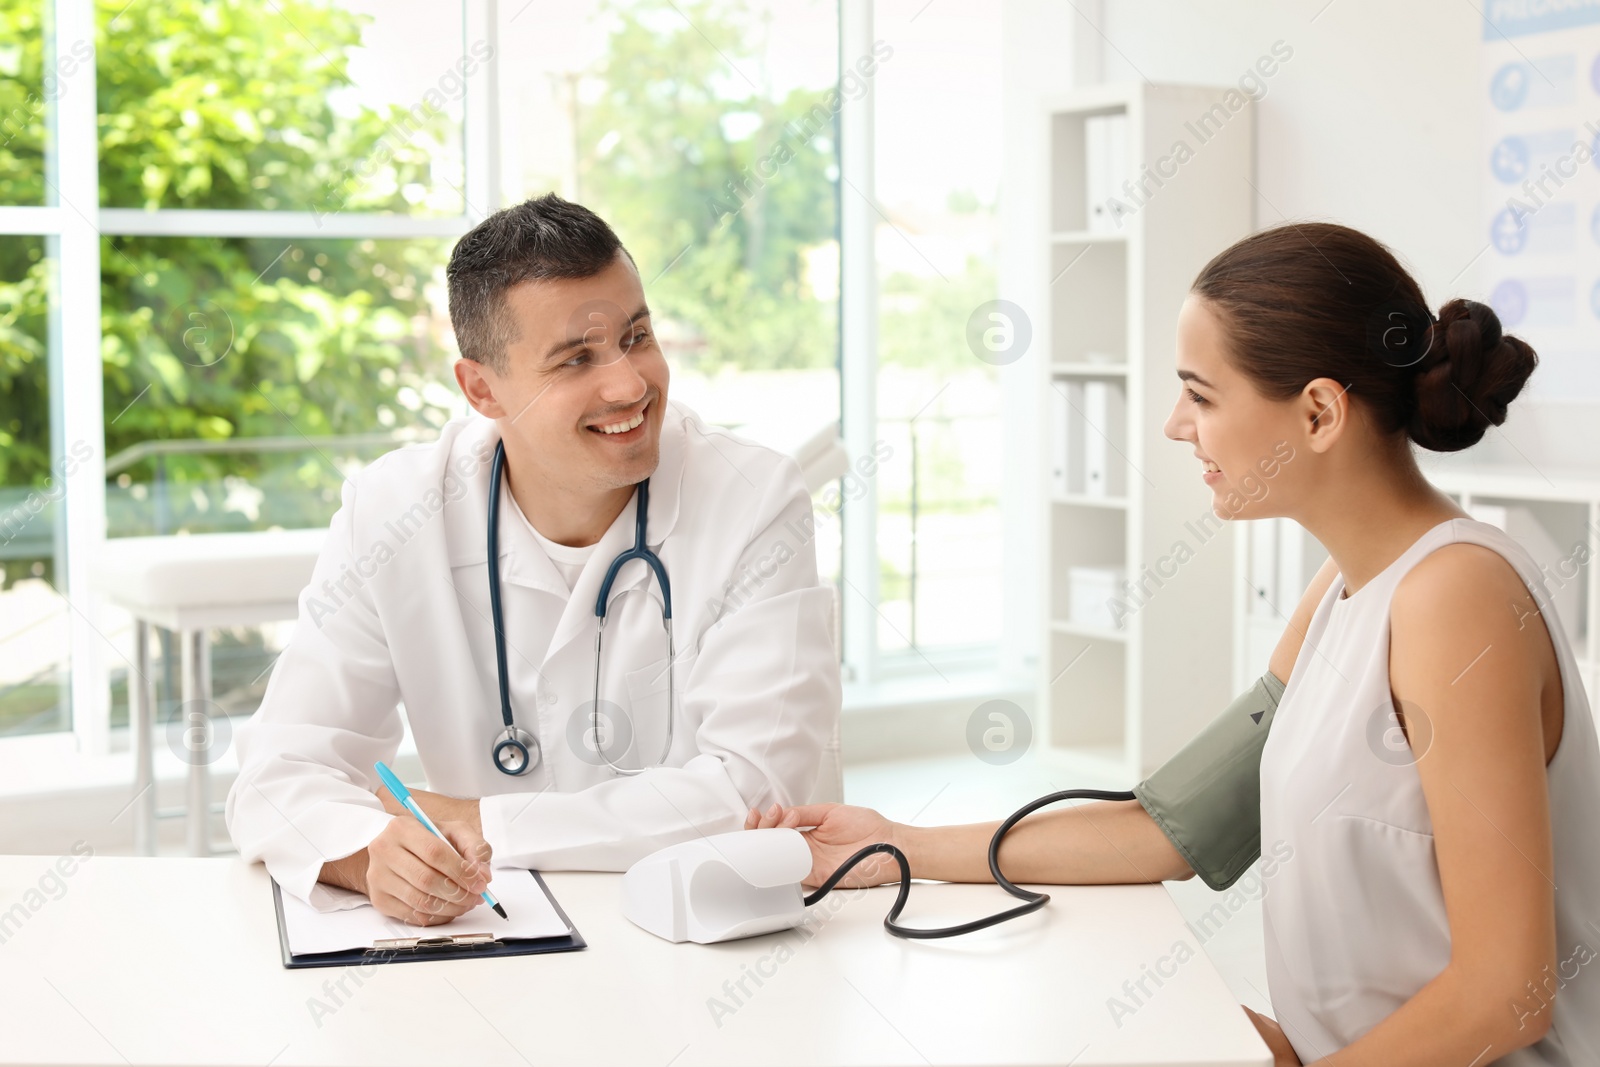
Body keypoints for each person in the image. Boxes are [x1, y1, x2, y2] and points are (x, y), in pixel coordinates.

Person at [749, 223, 1600, 1065]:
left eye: (1201, 394)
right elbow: (1171, 829)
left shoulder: (1458, 600)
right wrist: (894, 843)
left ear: (1317, 412)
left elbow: (1505, 993)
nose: (1173, 425)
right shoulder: (1340, 594)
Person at [226, 194, 840, 926]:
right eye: (576, 359)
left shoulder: (752, 498)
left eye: (636, 335)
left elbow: (758, 792)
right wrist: (371, 855)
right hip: (497, 947)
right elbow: (277, 773)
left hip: (712, 937)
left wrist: (484, 822)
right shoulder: (395, 512)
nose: (630, 384)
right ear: (481, 388)